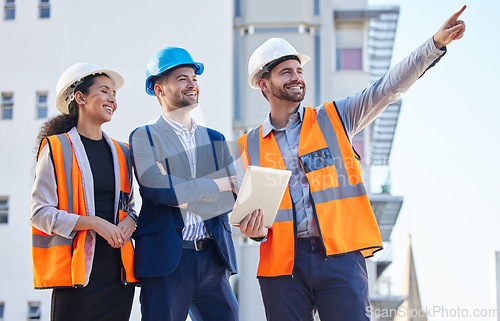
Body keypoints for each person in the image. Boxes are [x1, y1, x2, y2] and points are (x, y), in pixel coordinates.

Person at [237, 6, 466, 321]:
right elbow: (250, 215)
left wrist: (434, 45)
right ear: (264, 85)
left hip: (340, 255)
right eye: (286, 72)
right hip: (282, 266)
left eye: (298, 71)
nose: (297, 78)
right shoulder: (248, 145)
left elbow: (387, 88)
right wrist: (254, 230)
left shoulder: (335, 118)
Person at [129, 47, 239, 321]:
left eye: (194, 78)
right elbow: (157, 188)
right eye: (182, 78)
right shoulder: (145, 137)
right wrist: (217, 184)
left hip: (213, 259)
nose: (192, 84)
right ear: (159, 89)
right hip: (166, 261)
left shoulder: (215, 139)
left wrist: (181, 189)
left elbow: (230, 199)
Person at [30, 62, 138, 321]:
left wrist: (131, 222)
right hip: (76, 277)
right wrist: (93, 223)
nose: (112, 98)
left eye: (114, 93)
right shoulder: (56, 147)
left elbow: (130, 207)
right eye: (104, 91)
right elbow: (39, 213)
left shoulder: (123, 152)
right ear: (80, 97)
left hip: (118, 275)